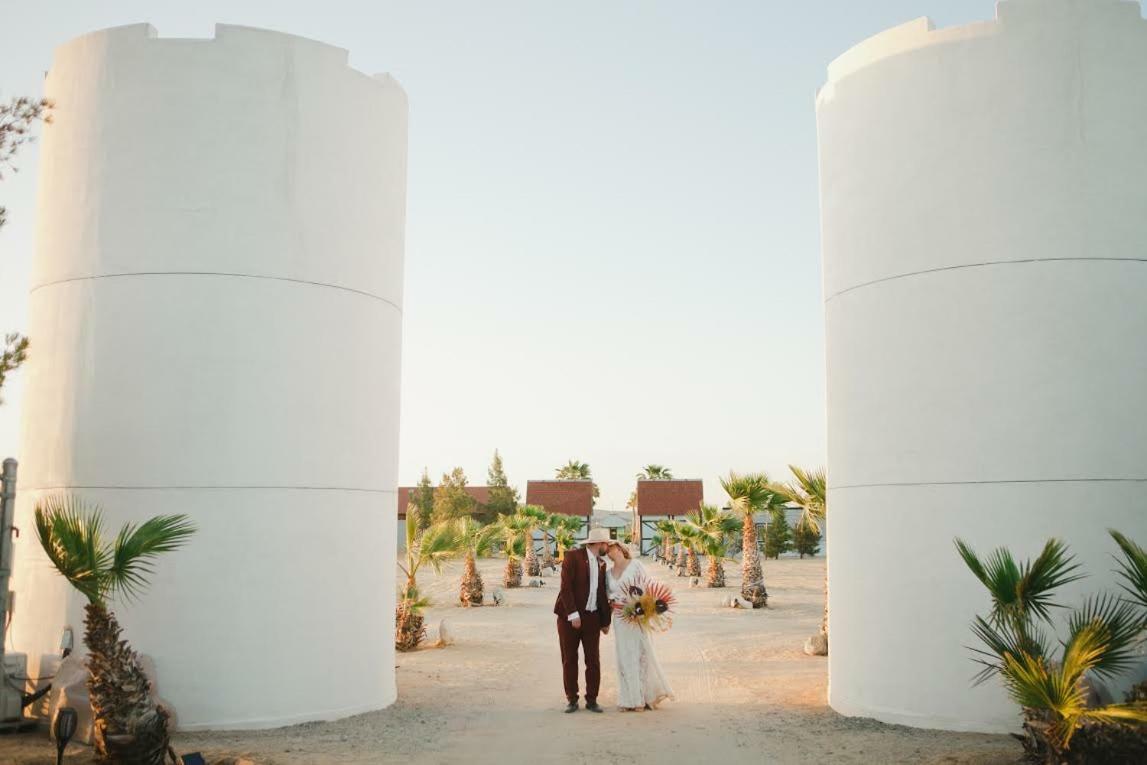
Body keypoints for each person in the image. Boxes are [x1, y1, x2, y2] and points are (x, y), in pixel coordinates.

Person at [605, 540, 675, 711]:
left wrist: (642, 610)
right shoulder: (607, 573)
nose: (608, 551)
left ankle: (641, 698)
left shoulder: (636, 565)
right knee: (624, 657)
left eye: (611, 548)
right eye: (606, 550)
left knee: (640, 654)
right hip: (620, 619)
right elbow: (607, 596)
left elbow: (648, 588)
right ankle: (628, 699)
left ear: (620, 548)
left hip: (638, 617)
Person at [553, 527, 612, 713]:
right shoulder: (572, 557)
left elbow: (601, 594)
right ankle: (572, 699)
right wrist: (573, 614)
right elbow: (566, 588)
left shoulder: (602, 564)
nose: (607, 547)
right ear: (597, 544)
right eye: (606, 543)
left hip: (592, 618)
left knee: (593, 660)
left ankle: (592, 699)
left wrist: (605, 622)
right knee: (569, 659)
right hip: (568, 618)